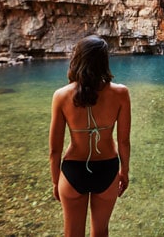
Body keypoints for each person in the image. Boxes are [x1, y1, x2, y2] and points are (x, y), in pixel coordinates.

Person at [49, 35, 131, 237]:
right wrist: (125, 171)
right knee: (101, 232)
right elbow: (123, 141)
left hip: (73, 171)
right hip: (107, 168)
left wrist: (55, 181)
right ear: (104, 61)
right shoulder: (121, 93)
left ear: (77, 59)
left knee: (72, 234)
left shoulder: (61, 96)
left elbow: (55, 149)